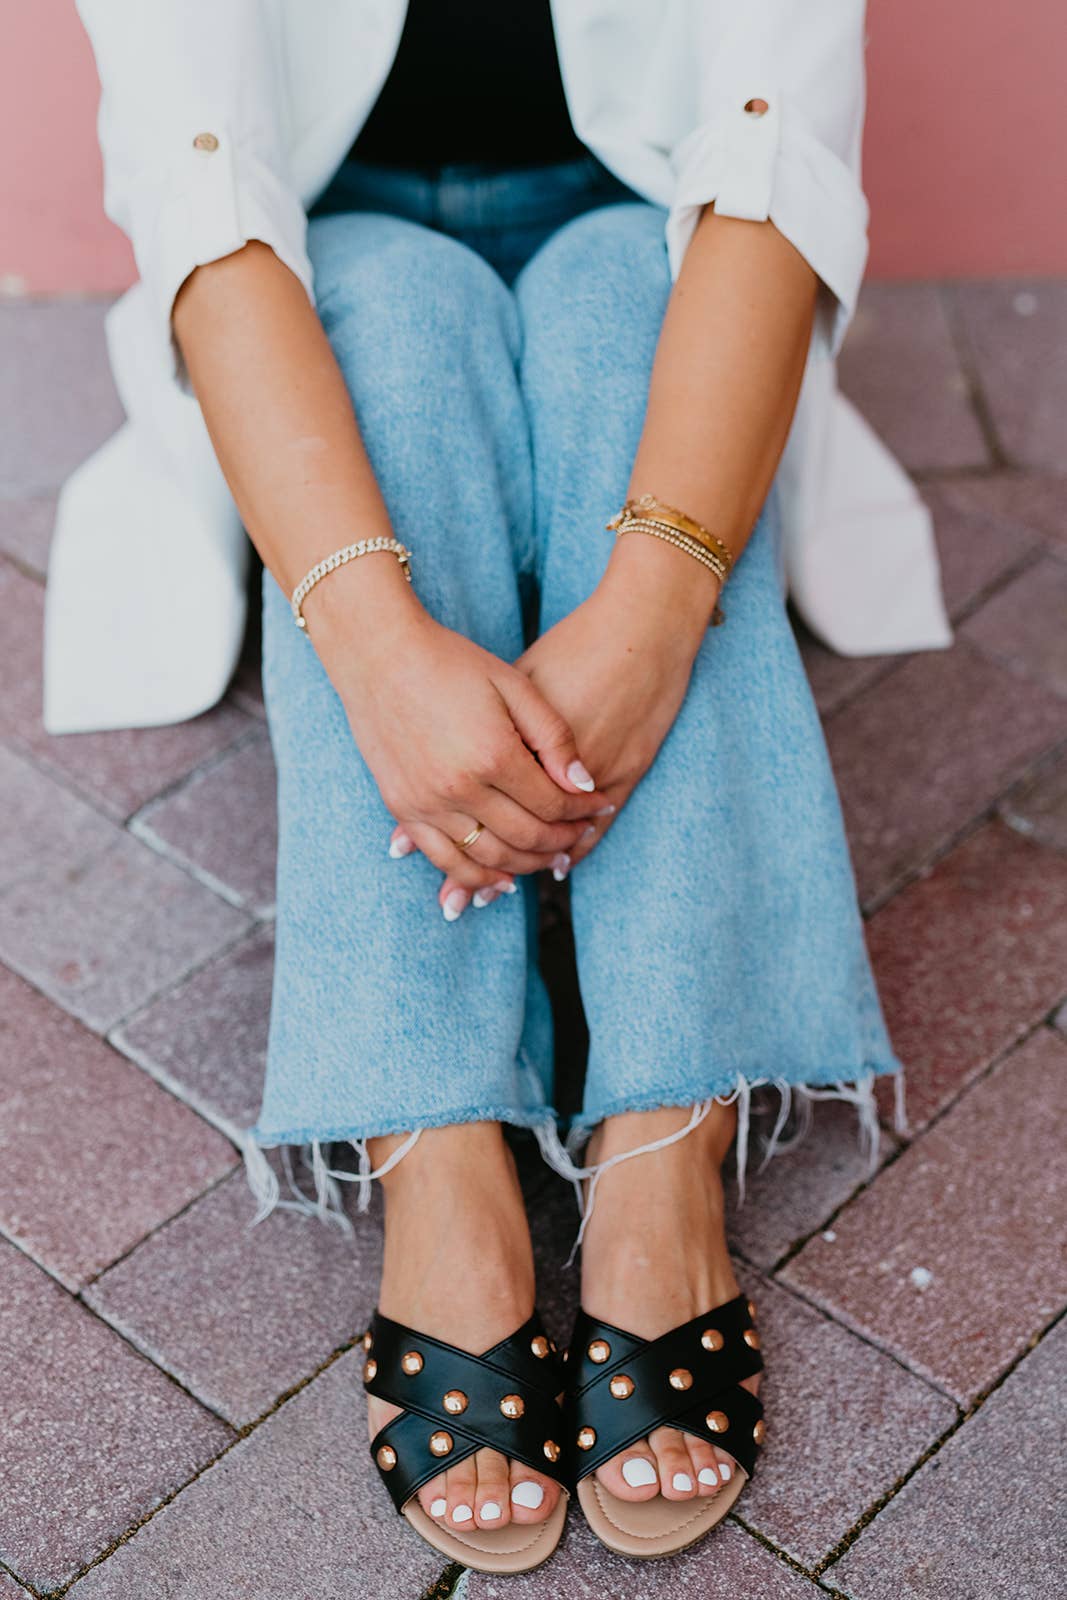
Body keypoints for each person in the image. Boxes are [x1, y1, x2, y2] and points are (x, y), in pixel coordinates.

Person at [54, 0, 931, 1577]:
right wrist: (381, 655)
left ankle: (666, 1142)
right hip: (330, 233)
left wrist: (657, 614)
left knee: (624, 308)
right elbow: (204, 196)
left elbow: (769, 155)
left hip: (639, 202)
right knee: (382, 328)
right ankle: (440, 1149)